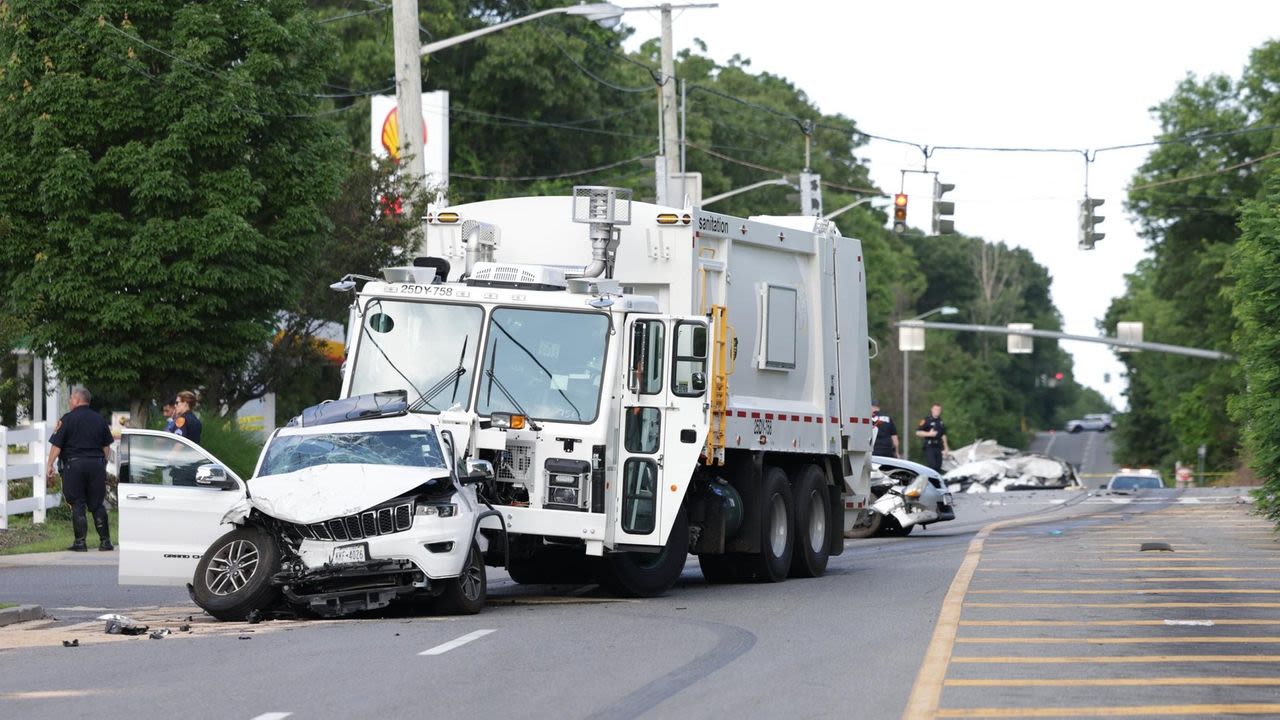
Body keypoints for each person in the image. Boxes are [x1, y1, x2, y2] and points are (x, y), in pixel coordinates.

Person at [47, 387, 115, 552]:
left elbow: (57, 445)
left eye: (71, 399)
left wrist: (49, 464)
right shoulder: (99, 419)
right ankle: (105, 542)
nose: (70, 402)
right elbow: (106, 448)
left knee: (78, 503)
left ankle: (80, 542)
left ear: (77, 400)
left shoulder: (67, 419)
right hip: (96, 465)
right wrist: (102, 464)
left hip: (74, 465)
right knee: (97, 503)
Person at [915, 402, 950, 473]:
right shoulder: (926, 420)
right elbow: (918, 432)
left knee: (938, 467)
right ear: (932, 410)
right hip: (929, 447)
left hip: (938, 447)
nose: (937, 411)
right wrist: (929, 434)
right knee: (932, 466)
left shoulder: (941, 421)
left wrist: (946, 447)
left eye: (939, 410)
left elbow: (943, 435)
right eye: (935, 409)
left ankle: (935, 483)